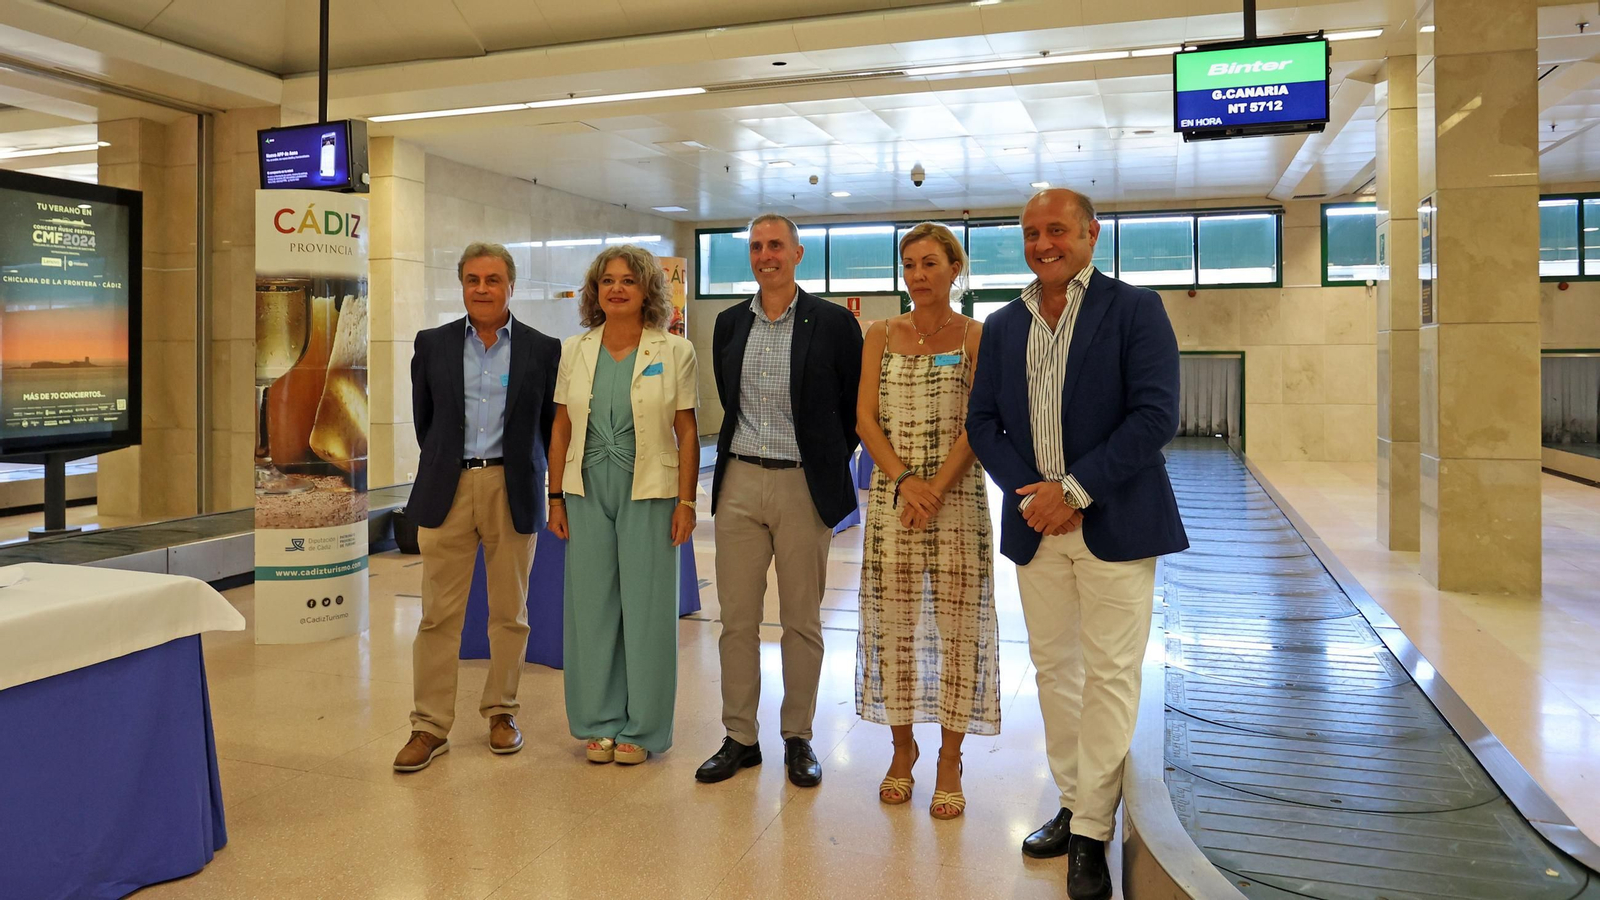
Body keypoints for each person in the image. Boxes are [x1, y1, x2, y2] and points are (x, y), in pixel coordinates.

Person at [966, 189, 1188, 900]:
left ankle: (1092, 829)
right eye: (1031, 232)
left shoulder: (1134, 310)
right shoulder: (1003, 324)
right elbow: (983, 422)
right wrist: (1034, 494)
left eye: (1056, 230)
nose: (1042, 243)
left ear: (1091, 234)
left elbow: (1155, 416)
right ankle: (1074, 802)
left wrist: (1077, 491)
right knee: (1055, 669)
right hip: (1038, 526)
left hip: (1115, 523)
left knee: (1112, 673)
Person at [696, 213, 863, 787]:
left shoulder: (835, 324)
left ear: (797, 254)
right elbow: (728, 398)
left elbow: (852, 412)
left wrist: (822, 463)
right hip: (739, 478)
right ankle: (740, 737)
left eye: (776, 246)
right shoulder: (727, 323)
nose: (766, 255)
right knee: (736, 620)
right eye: (757, 247)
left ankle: (799, 737)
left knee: (801, 620)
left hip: (802, 484)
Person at [393, 242, 561, 772]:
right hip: (447, 490)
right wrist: (451, 465)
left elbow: (546, 426)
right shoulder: (433, 344)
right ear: (461, 285)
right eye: (472, 280)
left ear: (511, 285)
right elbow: (426, 421)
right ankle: (428, 726)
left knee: (509, 614)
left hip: (512, 490)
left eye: (492, 279)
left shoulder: (542, 349)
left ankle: (502, 713)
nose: (482, 289)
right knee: (438, 615)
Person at [854, 222, 996, 820]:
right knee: (896, 627)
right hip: (894, 503)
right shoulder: (880, 334)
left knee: (959, 630)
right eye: (909, 264)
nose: (919, 275)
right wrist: (907, 483)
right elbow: (864, 418)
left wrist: (935, 487)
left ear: (954, 269)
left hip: (957, 501)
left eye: (931, 263)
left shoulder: (976, 336)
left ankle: (948, 757)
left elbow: (981, 421)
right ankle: (902, 748)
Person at [547, 245, 699, 765]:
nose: (616, 288)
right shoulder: (576, 350)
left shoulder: (674, 351)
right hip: (586, 490)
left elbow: (687, 431)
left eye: (628, 281)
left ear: (647, 291)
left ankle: (644, 729)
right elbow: (562, 426)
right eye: (607, 280)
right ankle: (599, 721)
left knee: (648, 612)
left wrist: (687, 500)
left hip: (652, 493)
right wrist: (555, 497)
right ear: (595, 291)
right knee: (592, 610)